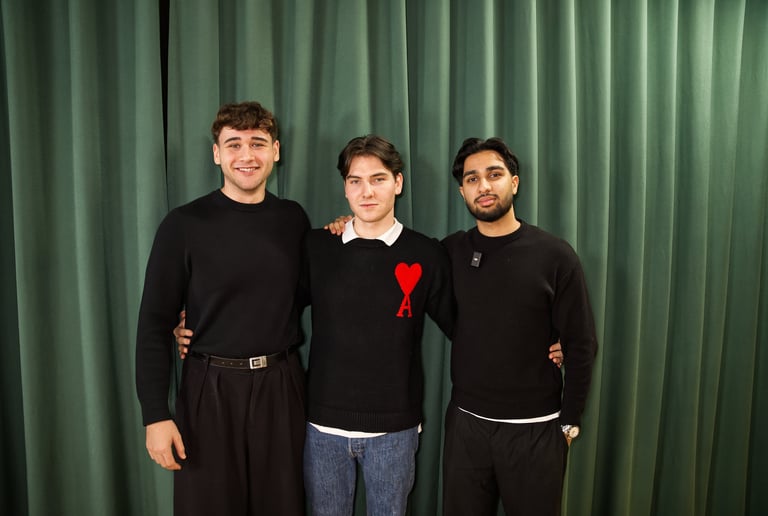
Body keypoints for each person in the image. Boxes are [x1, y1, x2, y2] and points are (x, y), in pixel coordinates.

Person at [135, 101, 309, 516]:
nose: (246, 155)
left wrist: (348, 228)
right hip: (207, 390)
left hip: (280, 388)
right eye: (234, 144)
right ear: (216, 154)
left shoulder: (293, 219)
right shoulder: (183, 224)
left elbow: (312, 292)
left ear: (276, 151)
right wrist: (155, 415)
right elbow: (154, 324)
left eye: (257, 143)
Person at [441, 137, 598, 516]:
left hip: (536, 430)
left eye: (494, 175)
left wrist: (569, 423)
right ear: (462, 190)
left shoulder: (555, 255)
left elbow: (580, 343)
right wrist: (347, 226)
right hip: (467, 427)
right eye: (472, 179)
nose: (484, 186)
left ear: (514, 182)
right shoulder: (450, 252)